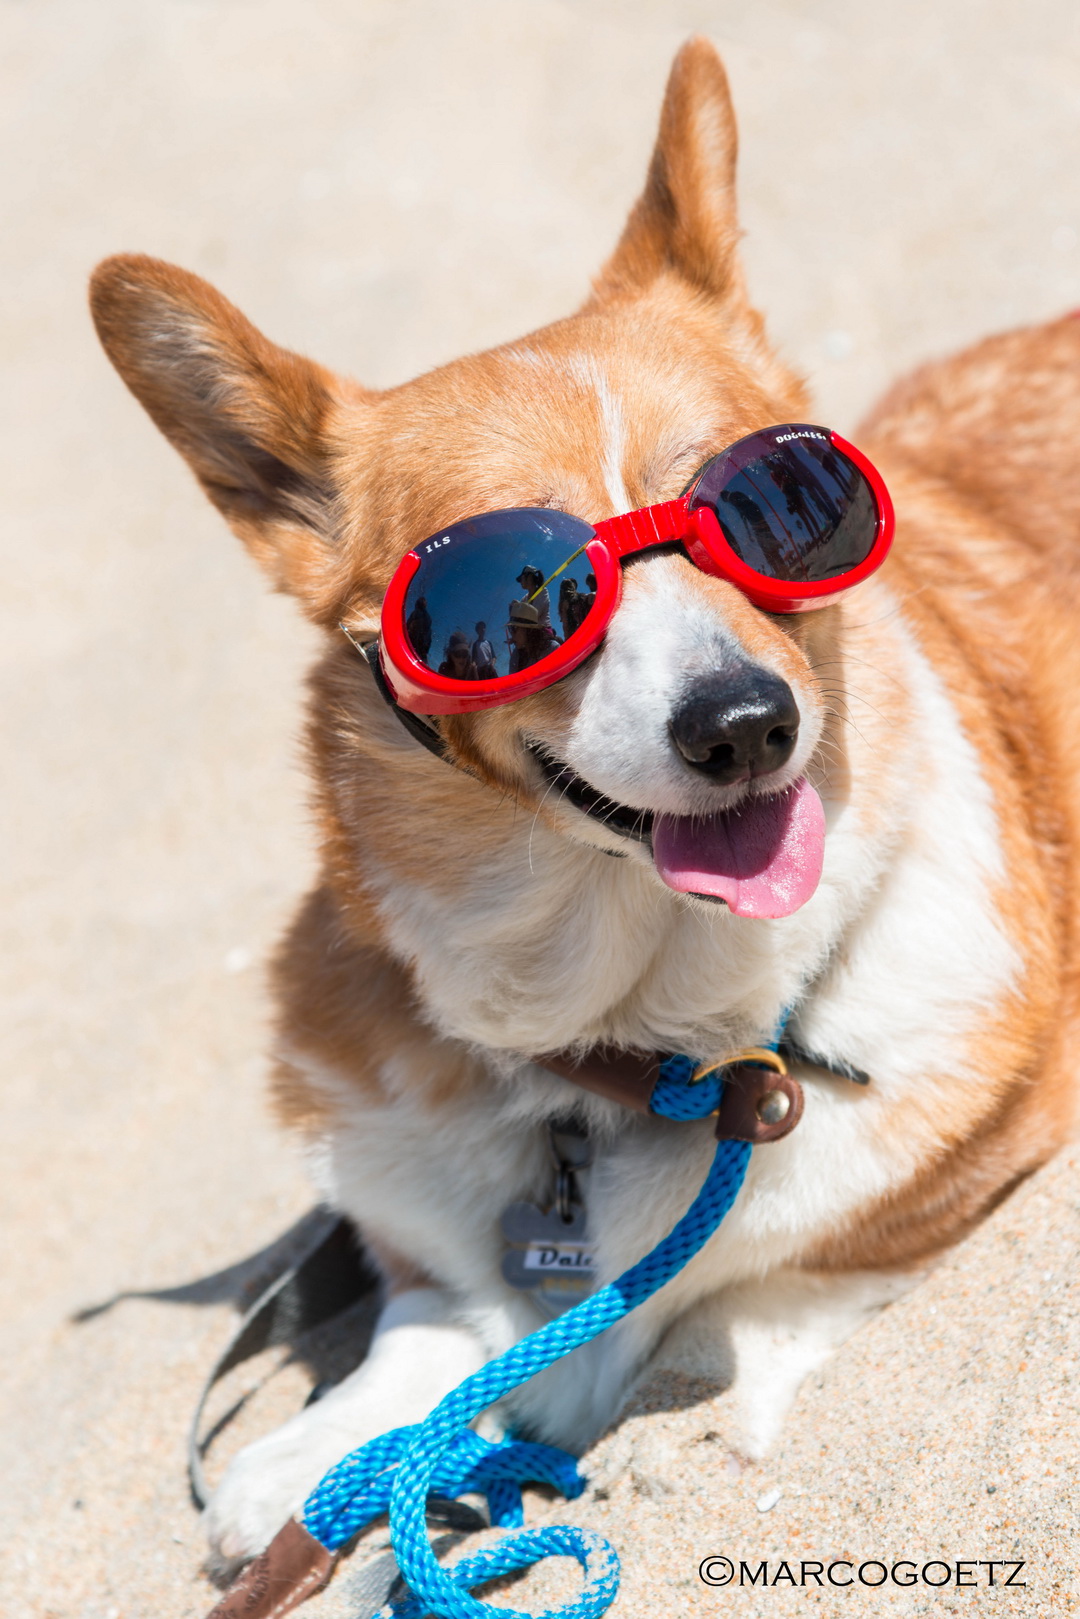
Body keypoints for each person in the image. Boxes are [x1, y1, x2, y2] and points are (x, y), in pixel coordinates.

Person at [506, 599, 551, 674]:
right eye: (510, 629)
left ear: (528, 630)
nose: (512, 634)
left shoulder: (550, 649)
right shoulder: (516, 656)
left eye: (514, 628)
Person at [405, 595, 432, 662]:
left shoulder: (420, 615)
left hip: (415, 649)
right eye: (424, 601)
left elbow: (406, 626)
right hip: (416, 649)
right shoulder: (423, 615)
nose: (425, 603)